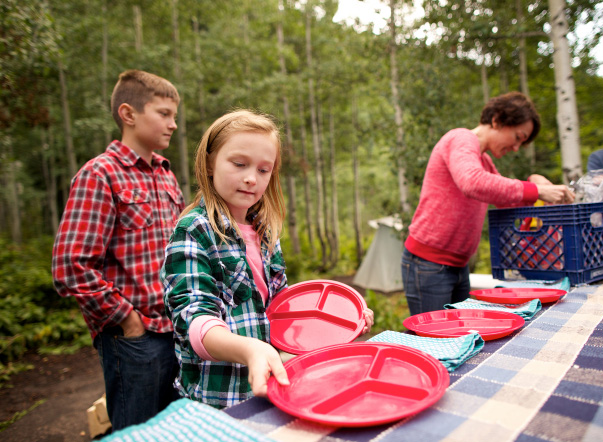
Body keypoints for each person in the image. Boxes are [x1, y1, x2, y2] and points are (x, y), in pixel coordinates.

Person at [161, 109, 374, 409]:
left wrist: (343, 321)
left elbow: (282, 311)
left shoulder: (265, 231)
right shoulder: (194, 230)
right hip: (218, 399)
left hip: (269, 388)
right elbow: (193, 320)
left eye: (264, 170)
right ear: (210, 163)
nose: (251, 179)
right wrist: (250, 350)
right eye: (239, 164)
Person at [52, 70, 185, 431]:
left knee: (175, 432)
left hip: (176, 330)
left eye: (175, 115)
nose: (173, 124)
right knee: (137, 433)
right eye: (164, 113)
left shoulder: (165, 175)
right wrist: (127, 321)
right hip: (134, 341)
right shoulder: (100, 174)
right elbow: (71, 265)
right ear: (128, 114)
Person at [402, 92, 574, 316]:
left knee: (457, 335)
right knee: (433, 339)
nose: (516, 147)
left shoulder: (484, 161)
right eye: (518, 136)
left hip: (458, 265)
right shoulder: (461, 139)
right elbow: (472, 182)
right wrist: (537, 190)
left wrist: (534, 182)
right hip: (428, 264)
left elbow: (506, 198)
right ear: (497, 120)